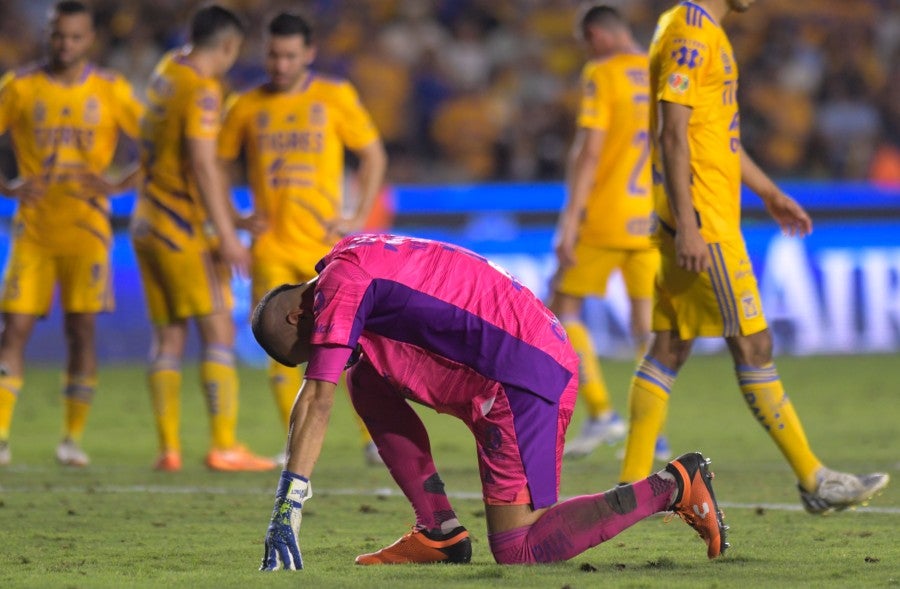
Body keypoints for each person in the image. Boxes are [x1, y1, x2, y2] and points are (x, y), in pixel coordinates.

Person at [250, 233, 728, 569]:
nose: (318, 356)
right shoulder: (347, 258)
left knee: (518, 548)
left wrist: (286, 508)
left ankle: (674, 485)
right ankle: (439, 531)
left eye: (306, 351)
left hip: (523, 373)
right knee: (363, 375)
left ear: (297, 317)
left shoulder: (341, 285)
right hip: (504, 355)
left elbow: (316, 396)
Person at [618, 0, 889, 513]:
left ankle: (628, 489)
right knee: (754, 343)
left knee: (669, 347)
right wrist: (692, 226)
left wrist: (767, 191)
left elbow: (712, 134)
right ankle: (816, 480)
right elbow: (671, 134)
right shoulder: (690, 35)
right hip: (705, 222)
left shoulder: (696, 29)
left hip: (701, 214)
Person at [217, 12, 388, 465]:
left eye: (290, 55)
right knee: (277, 343)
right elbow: (214, 163)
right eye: (273, 54)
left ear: (308, 54)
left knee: (351, 344)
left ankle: (373, 439)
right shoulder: (245, 106)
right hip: (270, 245)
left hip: (323, 246)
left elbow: (372, 155)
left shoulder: (334, 96)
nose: (280, 63)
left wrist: (355, 215)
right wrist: (233, 215)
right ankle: (294, 440)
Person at [131, 4, 273, 472]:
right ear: (230, 46)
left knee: (168, 335)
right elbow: (204, 164)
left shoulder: (168, 69)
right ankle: (224, 445)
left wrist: (232, 213)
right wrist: (229, 233)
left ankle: (168, 449)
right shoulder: (205, 91)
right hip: (181, 228)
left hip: (146, 221)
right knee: (216, 330)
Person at [0, 0, 143, 467]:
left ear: (90, 39)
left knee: (81, 332)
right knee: (13, 330)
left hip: (88, 232)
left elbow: (158, 143)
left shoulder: (110, 89)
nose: (66, 44)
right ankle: (1, 436)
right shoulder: (20, 87)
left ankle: (71, 439)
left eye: (75, 37)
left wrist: (120, 183)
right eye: (58, 35)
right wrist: (8, 186)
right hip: (34, 231)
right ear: (48, 34)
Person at [550, 5, 668, 460]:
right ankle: (653, 431)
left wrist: (569, 219)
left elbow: (590, 150)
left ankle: (602, 413)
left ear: (597, 35)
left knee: (562, 309)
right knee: (647, 327)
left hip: (604, 215)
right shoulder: (659, 70)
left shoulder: (602, 72)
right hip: (651, 219)